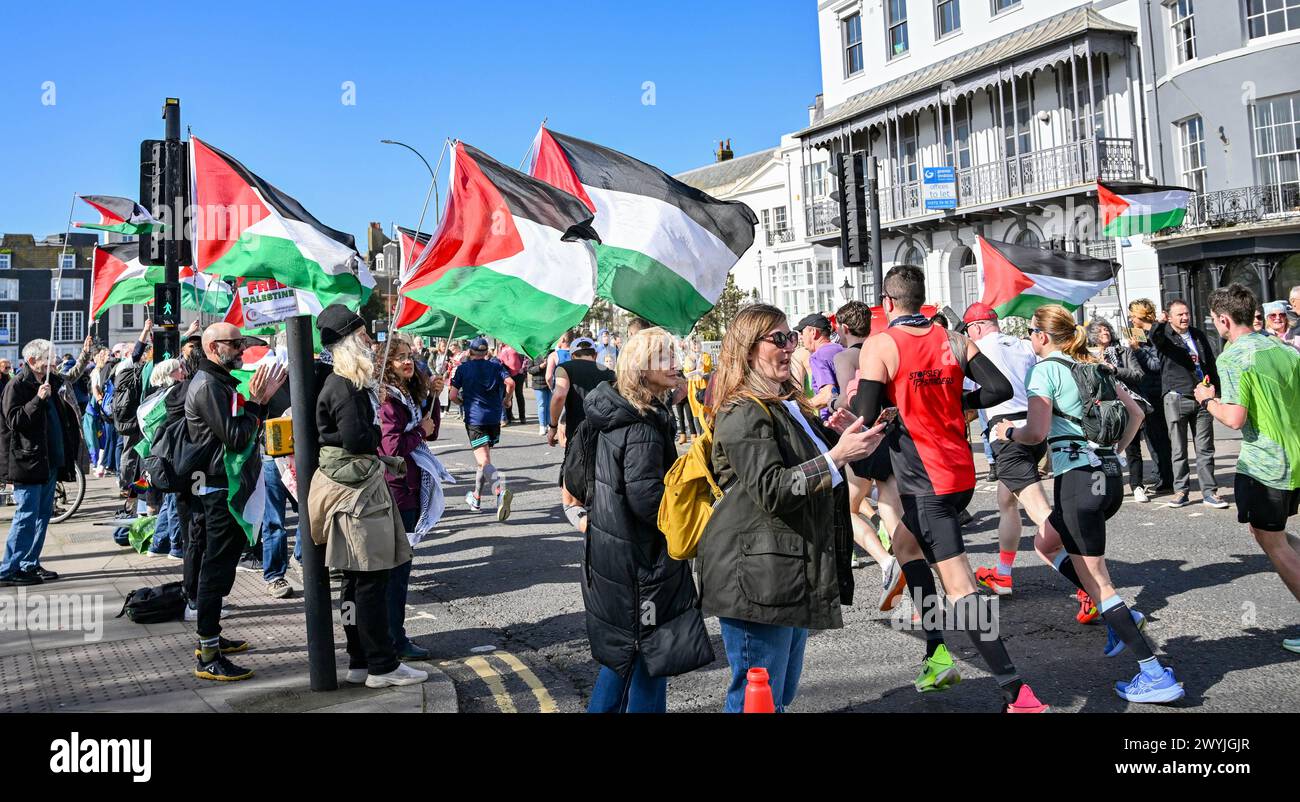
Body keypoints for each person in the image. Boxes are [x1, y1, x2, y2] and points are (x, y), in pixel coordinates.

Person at [855, 265, 1049, 712]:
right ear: (921, 299)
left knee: (961, 590)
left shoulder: (881, 344)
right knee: (905, 547)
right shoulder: (954, 338)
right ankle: (937, 654)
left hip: (928, 481)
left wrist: (875, 405)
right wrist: (955, 401)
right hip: (960, 474)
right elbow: (998, 387)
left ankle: (1018, 693)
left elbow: (865, 411)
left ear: (887, 304)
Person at [995, 304, 1184, 703]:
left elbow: (1036, 433)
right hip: (1109, 479)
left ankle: (1154, 672)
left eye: (1032, 331)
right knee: (1046, 543)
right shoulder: (1093, 365)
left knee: (1101, 584)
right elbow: (1136, 413)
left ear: (1043, 336)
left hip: (1078, 482)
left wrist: (1007, 430)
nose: (1030, 337)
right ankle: (1119, 616)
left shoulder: (1045, 370)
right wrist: (1113, 450)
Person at [699, 304, 883, 712]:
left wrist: (846, 438)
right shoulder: (743, 410)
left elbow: (814, 469)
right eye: (777, 339)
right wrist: (835, 457)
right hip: (756, 576)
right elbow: (773, 488)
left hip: (786, 569)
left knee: (776, 697)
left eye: (791, 338)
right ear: (748, 350)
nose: (788, 347)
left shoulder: (786, 403)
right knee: (756, 698)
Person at [583, 327, 713, 712]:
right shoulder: (642, 427)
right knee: (645, 654)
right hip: (641, 557)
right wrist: (690, 519)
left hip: (615, 549)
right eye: (664, 358)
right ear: (641, 368)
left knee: (630, 654)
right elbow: (646, 499)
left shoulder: (620, 411)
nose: (675, 364)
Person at [312, 306, 428, 688]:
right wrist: (376, 432)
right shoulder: (344, 387)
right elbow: (358, 440)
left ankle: (359, 659)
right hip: (358, 495)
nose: (370, 342)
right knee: (372, 581)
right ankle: (382, 666)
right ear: (347, 343)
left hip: (348, 492)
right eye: (363, 336)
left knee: (353, 582)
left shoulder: (342, 384)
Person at [1195, 284, 1300, 654]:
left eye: (1214, 320)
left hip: (1266, 463)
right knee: (1273, 534)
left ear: (1224, 319)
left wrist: (1209, 401)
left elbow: (1235, 418)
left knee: (1271, 540)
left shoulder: (1234, 356)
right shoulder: (1283, 347)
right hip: (1295, 456)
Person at [185, 322, 284, 680]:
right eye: (235, 344)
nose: (241, 349)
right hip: (218, 490)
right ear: (213, 348)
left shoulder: (217, 381)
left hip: (223, 486)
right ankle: (208, 654)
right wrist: (257, 403)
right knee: (216, 568)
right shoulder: (210, 385)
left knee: (222, 565)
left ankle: (211, 638)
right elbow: (236, 437)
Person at [960, 303, 1056, 599]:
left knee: (1041, 512)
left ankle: (1089, 584)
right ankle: (1003, 575)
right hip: (1034, 426)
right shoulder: (1023, 345)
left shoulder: (976, 351)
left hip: (1006, 433)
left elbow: (966, 395)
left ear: (974, 328)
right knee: (1006, 500)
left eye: (967, 331)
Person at [377, 334, 448, 663]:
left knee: (400, 568)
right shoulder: (388, 399)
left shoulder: (406, 393)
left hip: (409, 487)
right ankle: (394, 639)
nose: (407, 361)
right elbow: (392, 448)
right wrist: (419, 429)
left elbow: (429, 430)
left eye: (409, 355)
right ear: (386, 364)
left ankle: (393, 635)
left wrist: (434, 398)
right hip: (395, 489)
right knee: (397, 570)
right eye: (398, 357)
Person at [827, 301, 902, 592]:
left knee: (848, 509)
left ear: (843, 328)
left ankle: (885, 562)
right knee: (889, 507)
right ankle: (910, 562)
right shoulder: (882, 347)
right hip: (889, 431)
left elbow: (851, 400)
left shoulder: (845, 356)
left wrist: (833, 402)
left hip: (863, 435)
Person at [0, 339, 84, 587]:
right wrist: (37, 400)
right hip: (27, 460)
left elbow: (71, 380)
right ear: (33, 361)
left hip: (48, 460)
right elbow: (14, 421)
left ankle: (29, 562)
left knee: (43, 514)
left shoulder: (51, 381)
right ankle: (8, 568)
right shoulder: (18, 385)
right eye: (49, 357)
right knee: (26, 515)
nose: (54, 361)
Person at [1150, 299, 1226, 509]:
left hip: (1202, 397)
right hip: (1176, 397)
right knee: (1178, 449)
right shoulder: (1164, 335)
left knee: (1205, 448)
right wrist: (1158, 323)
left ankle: (1210, 492)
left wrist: (1216, 392)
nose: (1184, 318)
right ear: (1170, 316)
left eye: (1186, 313)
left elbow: (1209, 362)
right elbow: (1154, 338)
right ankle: (1181, 490)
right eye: (1179, 315)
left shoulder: (1198, 334)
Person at [548, 336, 614, 531]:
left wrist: (553, 425)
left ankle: (592, 532)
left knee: (571, 502)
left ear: (572, 354)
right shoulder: (609, 372)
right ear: (594, 354)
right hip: (606, 437)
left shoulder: (565, 368)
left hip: (577, 438)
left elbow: (559, 395)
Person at [450, 337, 514, 520]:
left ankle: (499, 491)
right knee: (483, 460)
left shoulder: (463, 369)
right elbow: (511, 383)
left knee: (484, 461)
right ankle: (476, 498)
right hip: (493, 418)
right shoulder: (495, 366)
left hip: (475, 418)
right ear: (486, 353)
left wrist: (462, 402)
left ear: (470, 352)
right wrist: (507, 400)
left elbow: (453, 395)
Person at [1088, 319, 1152, 501]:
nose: (1105, 332)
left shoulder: (1124, 352)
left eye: (1106, 329)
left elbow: (1138, 375)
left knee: (1132, 447)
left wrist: (1115, 369)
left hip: (1127, 403)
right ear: (1093, 336)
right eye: (1100, 331)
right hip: (1101, 406)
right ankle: (1102, 485)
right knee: (1100, 446)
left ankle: (1137, 485)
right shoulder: (1089, 356)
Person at [1126, 299, 1173, 498]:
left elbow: (1155, 365)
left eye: (1132, 315)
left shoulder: (1155, 333)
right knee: (1153, 438)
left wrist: (1137, 350)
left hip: (1155, 391)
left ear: (1141, 315)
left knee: (1159, 437)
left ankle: (1166, 479)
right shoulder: (1139, 332)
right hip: (1145, 390)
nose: (1130, 319)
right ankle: (1160, 475)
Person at [143, 358, 188, 560]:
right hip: (171, 454)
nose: (184, 372)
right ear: (170, 375)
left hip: (157, 454)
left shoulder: (153, 396)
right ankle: (177, 547)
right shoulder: (172, 395)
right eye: (180, 370)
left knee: (169, 499)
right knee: (174, 501)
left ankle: (158, 544)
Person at [797, 313, 842, 418]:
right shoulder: (840, 348)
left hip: (833, 421)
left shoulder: (818, 356)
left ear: (813, 332)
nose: (800, 338)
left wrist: (799, 409)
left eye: (801, 332)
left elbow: (828, 395)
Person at [684, 338, 712, 434]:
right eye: (693, 344)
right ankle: (699, 435)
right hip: (693, 387)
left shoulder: (706, 356)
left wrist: (699, 363)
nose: (695, 346)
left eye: (697, 344)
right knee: (695, 412)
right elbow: (687, 371)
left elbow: (705, 369)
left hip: (704, 386)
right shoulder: (688, 357)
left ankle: (707, 434)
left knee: (705, 410)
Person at [496, 341, 528, 426]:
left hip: (518, 374)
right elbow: (499, 360)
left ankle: (522, 417)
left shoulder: (515, 344)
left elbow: (525, 357)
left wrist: (523, 368)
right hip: (507, 374)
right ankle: (509, 417)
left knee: (519, 395)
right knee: (508, 395)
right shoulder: (501, 348)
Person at [528, 348, 553, 437]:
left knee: (550, 405)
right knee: (542, 405)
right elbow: (530, 369)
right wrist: (540, 367)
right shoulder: (533, 354)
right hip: (538, 383)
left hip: (550, 383)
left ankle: (550, 424)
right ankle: (542, 425)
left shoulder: (552, 352)